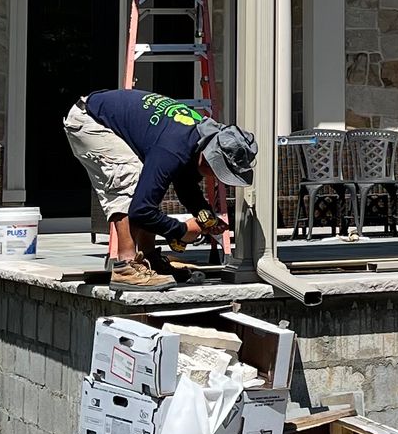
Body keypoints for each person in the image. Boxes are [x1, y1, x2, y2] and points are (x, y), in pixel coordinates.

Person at [62, 88, 257, 286]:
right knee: (130, 179)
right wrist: (180, 231)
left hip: (112, 117)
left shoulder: (200, 137)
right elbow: (140, 210)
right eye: (218, 172)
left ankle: (149, 259)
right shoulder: (172, 148)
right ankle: (126, 266)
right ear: (208, 159)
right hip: (90, 119)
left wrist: (204, 214)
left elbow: (185, 184)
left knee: (150, 190)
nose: (218, 179)